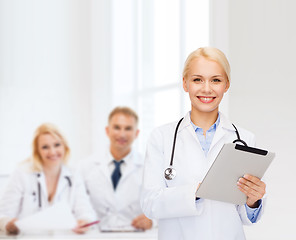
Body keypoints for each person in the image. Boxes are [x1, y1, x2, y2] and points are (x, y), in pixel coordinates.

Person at [141, 47, 266, 240]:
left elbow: (244, 215)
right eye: (197, 79)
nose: (206, 88)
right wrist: (196, 192)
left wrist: (253, 200)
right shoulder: (162, 137)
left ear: (226, 85)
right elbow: (150, 203)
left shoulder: (245, 139)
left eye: (216, 80)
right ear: (185, 83)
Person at [0, 123, 96, 235]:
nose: (52, 152)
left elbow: (85, 211)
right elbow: (3, 214)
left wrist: (84, 221)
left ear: (64, 146)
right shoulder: (22, 174)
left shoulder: (74, 175)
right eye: (45, 147)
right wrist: (8, 224)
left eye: (57, 145)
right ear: (37, 151)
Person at [81, 107, 153, 231]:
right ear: (107, 130)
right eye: (117, 127)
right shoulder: (85, 166)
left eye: (128, 128)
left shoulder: (149, 167)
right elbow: (79, 204)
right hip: (96, 235)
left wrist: (152, 221)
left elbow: (161, 205)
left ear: (137, 133)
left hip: (134, 235)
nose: (122, 134)